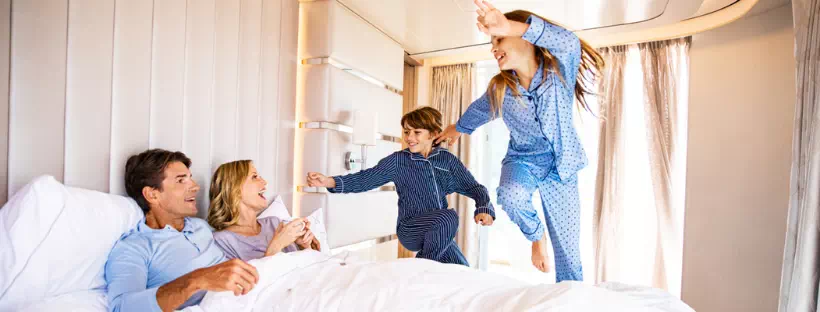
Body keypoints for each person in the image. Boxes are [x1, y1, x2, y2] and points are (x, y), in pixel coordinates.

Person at [434, 0, 604, 282]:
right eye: (492, 41)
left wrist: (509, 26)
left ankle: (571, 300)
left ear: (524, 38)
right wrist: (458, 128)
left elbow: (569, 41)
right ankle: (537, 237)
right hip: (522, 160)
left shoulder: (560, 70)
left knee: (569, 254)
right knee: (511, 196)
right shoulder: (501, 87)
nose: (493, 47)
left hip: (562, 167)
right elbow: (479, 111)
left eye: (498, 39)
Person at [307, 107, 495, 266]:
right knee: (448, 218)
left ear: (434, 134)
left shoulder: (447, 161)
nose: (409, 138)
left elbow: (475, 188)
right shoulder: (398, 161)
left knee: (463, 272)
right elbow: (366, 179)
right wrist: (330, 182)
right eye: (406, 132)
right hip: (410, 228)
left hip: (439, 232)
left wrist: (483, 208)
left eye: (416, 132)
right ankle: (416, 272)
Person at [105, 149, 259, 312]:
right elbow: (122, 307)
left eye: (190, 178)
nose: (195, 187)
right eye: (181, 181)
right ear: (152, 195)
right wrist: (197, 280)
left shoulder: (201, 227)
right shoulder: (135, 247)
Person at [208, 160, 320, 261]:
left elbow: (305, 272)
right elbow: (249, 283)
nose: (265, 182)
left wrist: (304, 247)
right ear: (234, 189)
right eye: (254, 177)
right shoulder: (222, 241)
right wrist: (277, 245)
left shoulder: (274, 223)